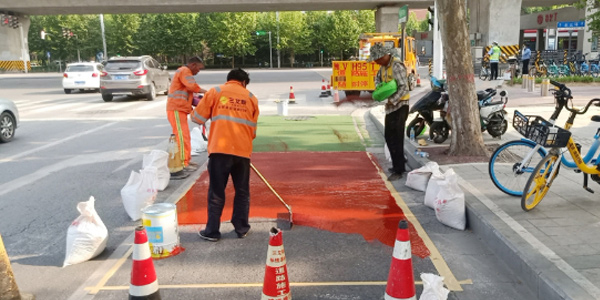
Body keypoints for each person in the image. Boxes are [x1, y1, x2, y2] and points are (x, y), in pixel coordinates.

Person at [191, 68, 259, 241]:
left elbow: (197, 118)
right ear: (244, 83)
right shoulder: (251, 98)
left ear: (229, 80)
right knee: (242, 192)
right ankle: (242, 228)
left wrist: (196, 104)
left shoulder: (216, 92)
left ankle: (212, 231)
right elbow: (252, 131)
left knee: (216, 192)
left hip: (219, 152)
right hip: (242, 152)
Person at [368, 43, 410, 181]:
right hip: (390, 108)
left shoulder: (396, 66)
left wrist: (392, 100)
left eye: (378, 59)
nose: (376, 62)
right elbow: (377, 79)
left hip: (400, 106)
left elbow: (404, 87)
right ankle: (398, 162)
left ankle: (399, 170)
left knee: (397, 138)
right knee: (388, 137)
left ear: (385, 55)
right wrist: (379, 89)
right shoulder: (383, 68)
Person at [166, 56, 208, 172]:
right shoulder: (185, 71)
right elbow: (193, 87)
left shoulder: (183, 71)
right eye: (199, 69)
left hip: (179, 109)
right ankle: (183, 163)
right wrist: (208, 93)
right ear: (193, 65)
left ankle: (186, 160)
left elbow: (189, 91)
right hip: (176, 109)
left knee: (184, 136)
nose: (198, 71)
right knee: (181, 136)